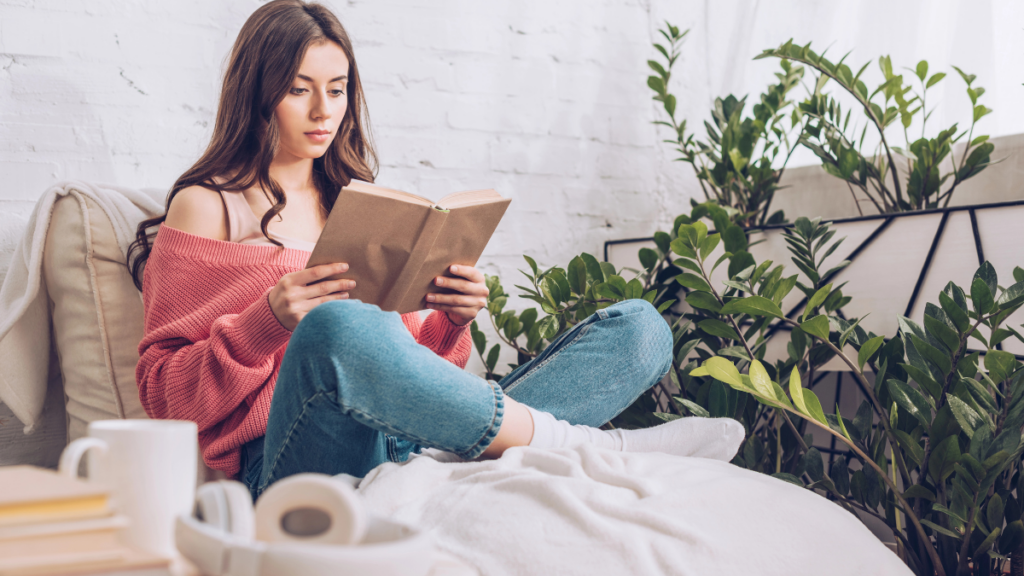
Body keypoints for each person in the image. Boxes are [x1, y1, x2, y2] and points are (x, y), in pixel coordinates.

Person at [128, 0, 743, 501]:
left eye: (338, 90)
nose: (324, 112)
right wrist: (268, 322)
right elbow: (163, 394)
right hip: (295, 459)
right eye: (299, 90)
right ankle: (580, 443)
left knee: (642, 329)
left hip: (414, 444)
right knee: (340, 324)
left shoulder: (355, 199)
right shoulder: (208, 205)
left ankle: (452, 465)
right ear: (258, 93)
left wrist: (452, 319)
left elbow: (417, 378)